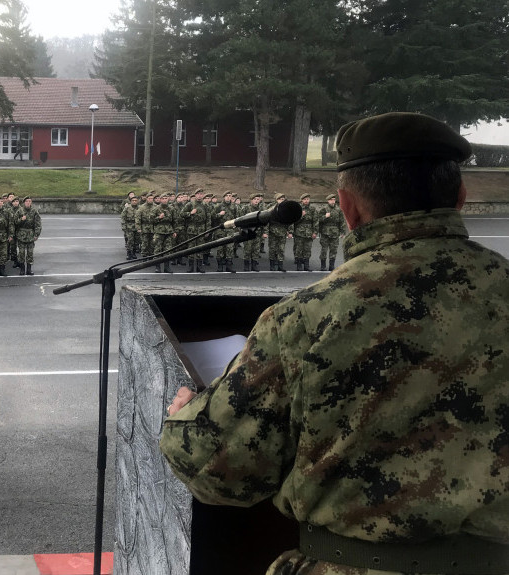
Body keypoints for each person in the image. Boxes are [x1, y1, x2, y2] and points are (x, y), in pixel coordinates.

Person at [159, 112, 509, 575]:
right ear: (460, 198)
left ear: (348, 208)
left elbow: (219, 473)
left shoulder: (305, 319)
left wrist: (187, 414)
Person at [319, 193, 346, 271]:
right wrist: (325, 216)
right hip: (325, 232)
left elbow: (342, 221)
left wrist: (342, 232)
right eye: (331, 200)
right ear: (328, 201)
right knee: (324, 249)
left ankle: (331, 266)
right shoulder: (323, 209)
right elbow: (318, 220)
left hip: (335, 232)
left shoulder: (338, 210)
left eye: (334, 200)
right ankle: (323, 266)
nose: (333, 201)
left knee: (333, 249)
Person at [15, 196, 41, 275]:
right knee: (21, 253)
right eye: (26, 201)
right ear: (24, 202)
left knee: (30, 253)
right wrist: (21, 220)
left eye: (29, 201)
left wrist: (36, 234)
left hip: (30, 234)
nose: (28, 203)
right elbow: (15, 222)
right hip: (21, 234)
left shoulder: (34, 211)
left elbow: (38, 224)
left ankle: (29, 269)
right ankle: (22, 269)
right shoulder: (20, 211)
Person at [267, 192, 293, 271]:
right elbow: (266, 219)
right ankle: (272, 265)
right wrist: (266, 231)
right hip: (273, 231)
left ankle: (280, 265)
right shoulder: (270, 207)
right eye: (279, 199)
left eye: (282, 199)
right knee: (272, 248)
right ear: (276, 200)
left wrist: (290, 231)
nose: (281, 201)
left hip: (282, 231)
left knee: (281, 249)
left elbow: (290, 220)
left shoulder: (287, 208)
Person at [293, 192, 318, 271]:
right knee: (299, 249)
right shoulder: (298, 208)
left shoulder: (312, 209)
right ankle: (299, 265)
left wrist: (315, 232)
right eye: (304, 199)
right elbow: (294, 221)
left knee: (307, 249)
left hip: (309, 232)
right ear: (301, 200)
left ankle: (306, 265)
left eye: (307, 199)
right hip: (299, 232)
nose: (306, 201)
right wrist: (301, 216)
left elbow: (316, 221)